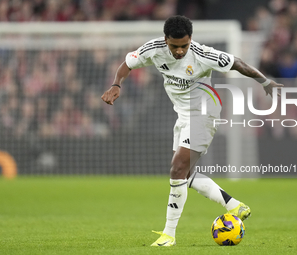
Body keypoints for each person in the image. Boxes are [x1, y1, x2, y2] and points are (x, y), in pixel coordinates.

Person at [101, 15, 283, 246]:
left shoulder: (202, 54)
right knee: (185, 175)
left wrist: (265, 82)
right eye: (174, 46)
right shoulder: (153, 49)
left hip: (204, 111)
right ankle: (235, 206)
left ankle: (169, 235)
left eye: (184, 46)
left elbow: (237, 62)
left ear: (191, 40)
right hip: (184, 114)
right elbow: (127, 64)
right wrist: (117, 84)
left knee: (177, 169)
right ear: (165, 40)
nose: (179, 51)